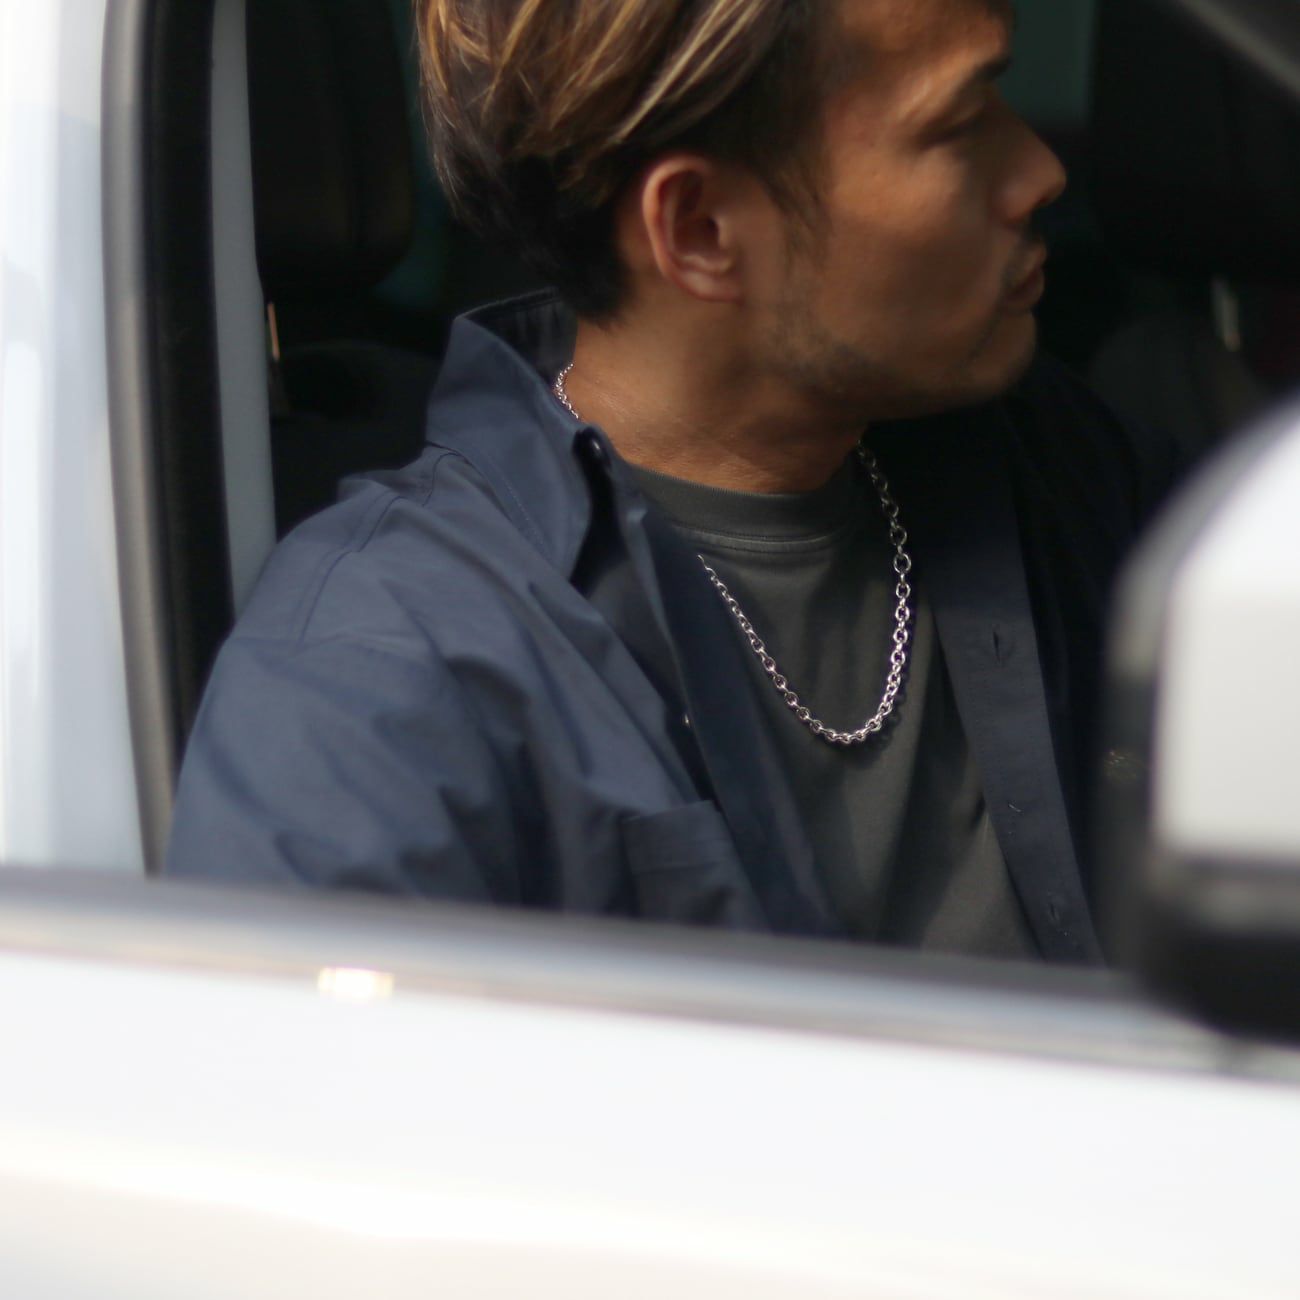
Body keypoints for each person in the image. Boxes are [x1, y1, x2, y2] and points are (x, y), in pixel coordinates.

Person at [167, 0, 1176, 963]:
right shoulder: (375, 682)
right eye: (958, 125)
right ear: (698, 230)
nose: (1040, 171)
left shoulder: (1053, 464)